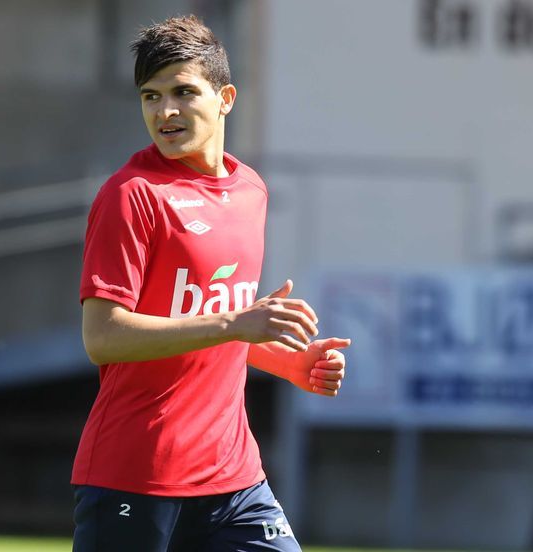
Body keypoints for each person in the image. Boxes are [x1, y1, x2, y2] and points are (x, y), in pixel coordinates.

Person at [72, 15, 351, 552]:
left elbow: (213, 322)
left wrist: (288, 361)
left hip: (234, 478)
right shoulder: (131, 195)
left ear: (225, 98)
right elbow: (102, 337)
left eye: (183, 92)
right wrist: (236, 323)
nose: (165, 112)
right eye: (151, 96)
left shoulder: (251, 191)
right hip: (136, 476)